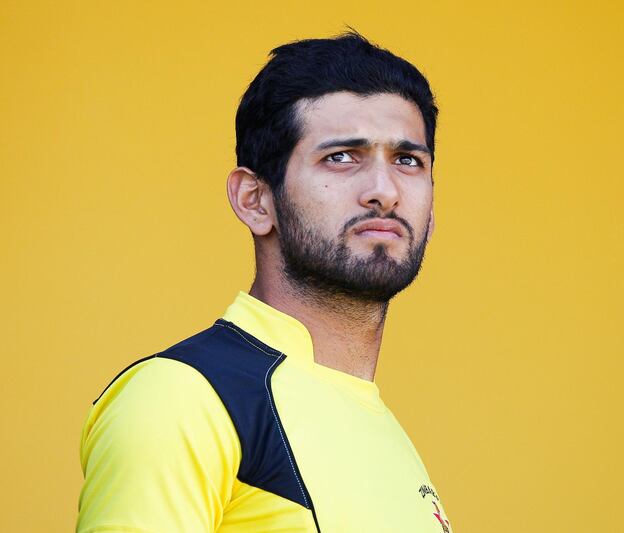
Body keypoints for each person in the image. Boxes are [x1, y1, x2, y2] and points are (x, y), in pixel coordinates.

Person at [76, 32, 453, 533]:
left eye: (408, 160)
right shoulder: (184, 399)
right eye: (341, 157)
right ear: (255, 199)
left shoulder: (380, 426)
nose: (384, 191)